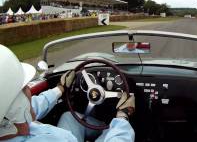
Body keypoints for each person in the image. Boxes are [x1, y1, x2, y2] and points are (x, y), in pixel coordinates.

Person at [0, 44, 135, 141]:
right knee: (117, 131)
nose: (28, 89)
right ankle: (111, 130)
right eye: (23, 87)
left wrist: (60, 89)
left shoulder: (8, 119)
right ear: (16, 107)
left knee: (69, 116)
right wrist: (122, 117)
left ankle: (108, 129)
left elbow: (31, 106)